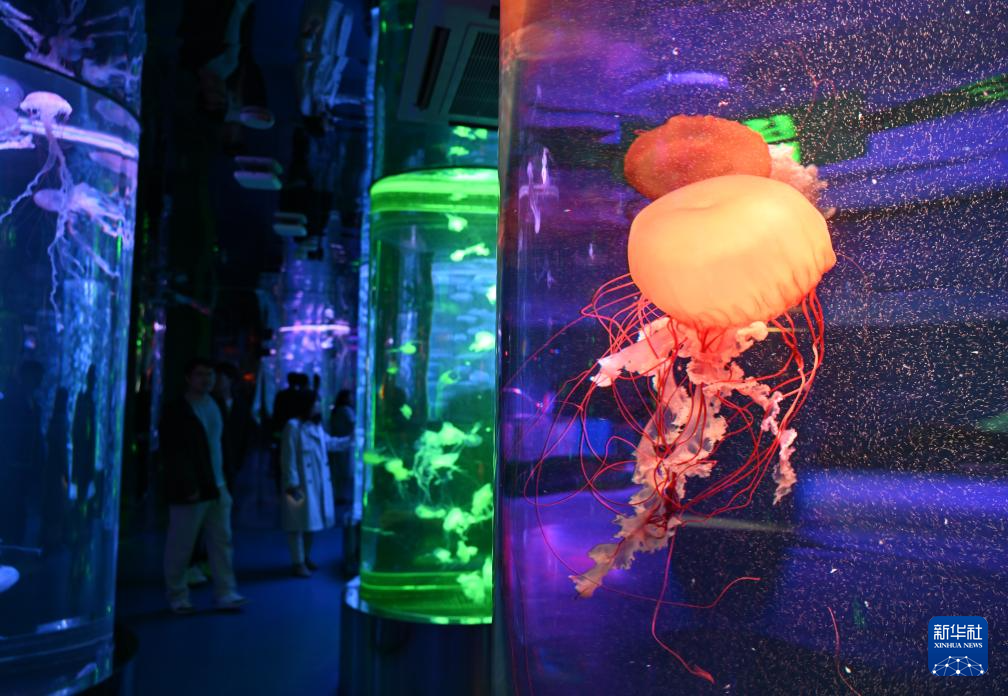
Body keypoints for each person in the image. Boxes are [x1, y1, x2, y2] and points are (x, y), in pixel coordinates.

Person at [159, 357, 246, 613]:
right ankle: (177, 595)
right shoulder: (177, 410)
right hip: (192, 489)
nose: (206, 380)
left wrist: (228, 480)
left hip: (218, 486)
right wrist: (187, 485)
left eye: (210, 374)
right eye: (200, 374)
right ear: (188, 378)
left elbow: (223, 445)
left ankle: (226, 592)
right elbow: (173, 453)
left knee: (222, 542)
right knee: (181, 544)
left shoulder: (215, 404)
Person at [280, 389, 349, 577]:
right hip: (298, 485)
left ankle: (306, 557)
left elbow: (330, 443)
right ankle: (298, 562)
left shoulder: (315, 426)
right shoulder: (293, 426)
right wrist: (292, 483)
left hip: (315, 483)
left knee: (310, 522)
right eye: (315, 402)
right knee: (296, 524)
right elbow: (288, 458)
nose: (318, 406)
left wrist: (350, 440)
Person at [329, 389, 354, 504]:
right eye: (350, 396)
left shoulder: (336, 410)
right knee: (346, 472)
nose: (352, 398)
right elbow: (354, 423)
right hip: (345, 444)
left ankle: (339, 495)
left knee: (338, 471)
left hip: (337, 443)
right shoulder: (346, 410)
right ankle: (343, 496)